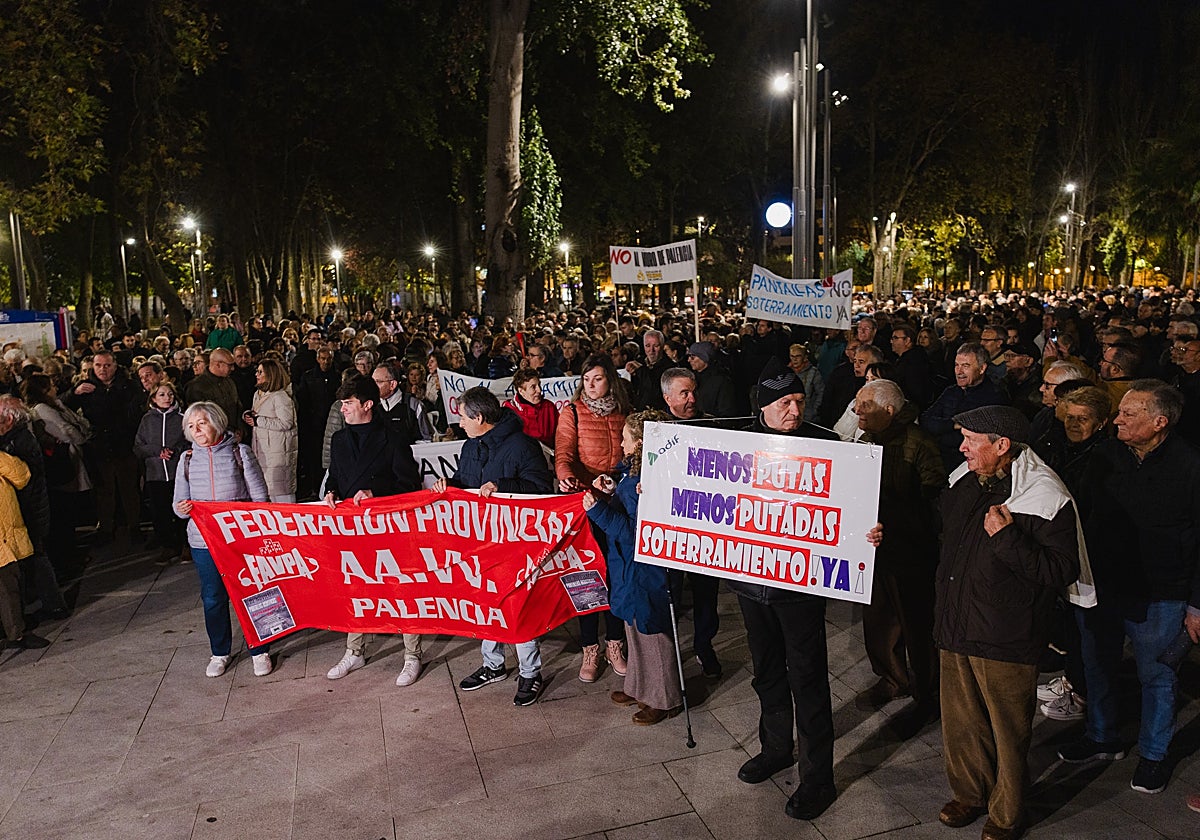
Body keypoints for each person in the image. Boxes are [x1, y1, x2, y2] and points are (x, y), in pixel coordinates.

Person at [934, 405, 1081, 839]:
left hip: (1006, 633)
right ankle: (969, 793)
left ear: (1002, 445)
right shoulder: (966, 480)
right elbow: (939, 528)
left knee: (1007, 730)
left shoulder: (1043, 493)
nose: (961, 447)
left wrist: (1007, 537)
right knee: (961, 721)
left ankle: (1006, 812)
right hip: (957, 624)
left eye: (970, 440)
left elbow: (1059, 570)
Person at [730, 360, 862, 822]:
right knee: (766, 672)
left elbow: (854, 509)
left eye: (800, 401)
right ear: (763, 407)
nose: (794, 409)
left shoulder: (828, 445)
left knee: (807, 680)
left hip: (800, 589)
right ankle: (775, 749)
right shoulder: (738, 446)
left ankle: (817, 779)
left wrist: (869, 529)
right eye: (784, 402)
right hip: (751, 584)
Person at [1061, 381, 1200, 796]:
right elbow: (1082, 513)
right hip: (1101, 585)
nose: (1117, 419)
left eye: (1128, 414)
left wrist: (1197, 604)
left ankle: (1154, 755)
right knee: (1096, 664)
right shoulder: (1104, 456)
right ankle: (1103, 736)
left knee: (1157, 676)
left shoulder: (1191, 467)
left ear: (1160, 422)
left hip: (1161, 592)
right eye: (1119, 412)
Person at [436, 387, 554, 706]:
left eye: (462, 417)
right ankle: (494, 665)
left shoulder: (522, 446)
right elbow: (466, 480)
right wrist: (451, 486)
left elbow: (541, 490)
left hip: (514, 540)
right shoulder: (470, 445)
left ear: (479, 417)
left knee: (516, 605)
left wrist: (503, 487)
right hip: (480, 539)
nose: (459, 423)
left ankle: (531, 672)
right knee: (486, 601)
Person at [852, 379, 945, 723]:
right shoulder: (865, 440)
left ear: (888, 411)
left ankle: (926, 692)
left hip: (911, 553)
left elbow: (933, 502)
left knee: (917, 625)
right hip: (875, 551)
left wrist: (894, 520)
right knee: (878, 619)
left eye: (865, 405)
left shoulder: (920, 444)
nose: (856, 410)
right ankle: (892, 677)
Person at [323, 375, 424, 687]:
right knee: (356, 587)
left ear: (368, 404)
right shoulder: (340, 440)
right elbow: (335, 477)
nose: (343, 409)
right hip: (353, 529)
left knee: (402, 588)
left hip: (390, 527)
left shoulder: (392, 436)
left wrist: (374, 492)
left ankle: (412, 655)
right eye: (342, 403)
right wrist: (330, 491)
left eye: (349, 403)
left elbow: (409, 484)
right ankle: (355, 650)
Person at [582, 409, 681, 724]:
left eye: (626, 437)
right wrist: (612, 491)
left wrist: (598, 510)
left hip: (643, 568)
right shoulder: (632, 473)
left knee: (652, 635)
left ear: (640, 443)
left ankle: (665, 698)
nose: (620, 443)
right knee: (634, 630)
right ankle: (640, 686)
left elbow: (637, 533)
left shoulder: (648, 481)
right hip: (627, 567)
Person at [173, 402, 274, 678]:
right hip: (203, 541)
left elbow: (260, 500)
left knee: (251, 593)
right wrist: (182, 508)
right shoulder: (187, 459)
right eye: (191, 426)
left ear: (216, 422)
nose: (197, 430)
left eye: (202, 423)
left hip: (239, 540)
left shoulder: (239, 453)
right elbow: (177, 505)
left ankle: (259, 648)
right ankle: (220, 651)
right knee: (213, 597)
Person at [556, 354, 631, 682]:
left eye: (597, 379)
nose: (591, 385)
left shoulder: (623, 409)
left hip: (618, 502)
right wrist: (565, 475)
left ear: (609, 380)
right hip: (586, 503)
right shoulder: (572, 411)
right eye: (586, 379)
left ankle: (615, 643)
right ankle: (590, 646)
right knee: (588, 576)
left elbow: (632, 451)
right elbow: (564, 452)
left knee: (616, 575)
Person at [66, 349, 142, 545]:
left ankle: (134, 526)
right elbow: (63, 406)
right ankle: (106, 528)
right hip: (100, 448)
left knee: (129, 489)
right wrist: (74, 393)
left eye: (107, 365)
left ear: (115, 366)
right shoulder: (87, 386)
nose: (103, 369)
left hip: (125, 445)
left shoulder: (128, 386)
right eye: (98, 365)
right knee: (104, 491)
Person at [920, 342, 1008, 471]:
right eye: (956, 365)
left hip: (971, 464)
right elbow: (925, 419)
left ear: (982, 368)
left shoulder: (995, 396)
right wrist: (953, 425)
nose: (959, 371)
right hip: (939, 459)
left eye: (966, 366)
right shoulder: (951, 391)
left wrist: (943, 427)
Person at [0, 446, 49, 651]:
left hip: (7, 536)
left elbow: (22, 475)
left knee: (12, 584)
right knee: (8, 586)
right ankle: (15, 633)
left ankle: (14, 631)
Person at [133, 383, 186, 562]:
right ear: (154, 398)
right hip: (155, 474)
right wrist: (157, 451)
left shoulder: (181, 418)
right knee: (160, 511)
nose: (167, 398)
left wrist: (176, 452)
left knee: (181, 509)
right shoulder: (147, 420)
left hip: (177, 473)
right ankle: (168, 545)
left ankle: (185, 544)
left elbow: (189, 441)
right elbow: (138, 447)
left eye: (170, 394)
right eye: (162, 394)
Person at [246, 358, 298, 503]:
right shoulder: (258, 394)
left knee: (281, 496)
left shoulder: (281, 397)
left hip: (278, 452)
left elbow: (287, 422)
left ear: (271, 374)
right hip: (262, 451)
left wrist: (258, 421)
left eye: (260, 372)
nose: (256, 374)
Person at [504, 368, 557, 448]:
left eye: (539, 385)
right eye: (533, 387)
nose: (539, 390)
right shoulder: (509, 411)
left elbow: (561, 436)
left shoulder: (549, 407)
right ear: (521, 391)